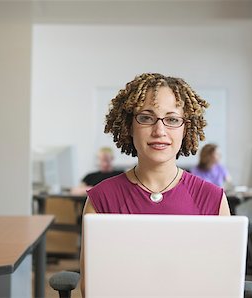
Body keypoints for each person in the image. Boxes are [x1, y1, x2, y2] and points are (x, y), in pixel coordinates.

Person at [79, 73, 231, 297]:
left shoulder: (213, 199)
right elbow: (91, 287)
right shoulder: (102, 199)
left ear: (185, 128)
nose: (159, 131)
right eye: (146, 118)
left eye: (171, 119)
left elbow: (222, 283)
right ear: (130, 126)